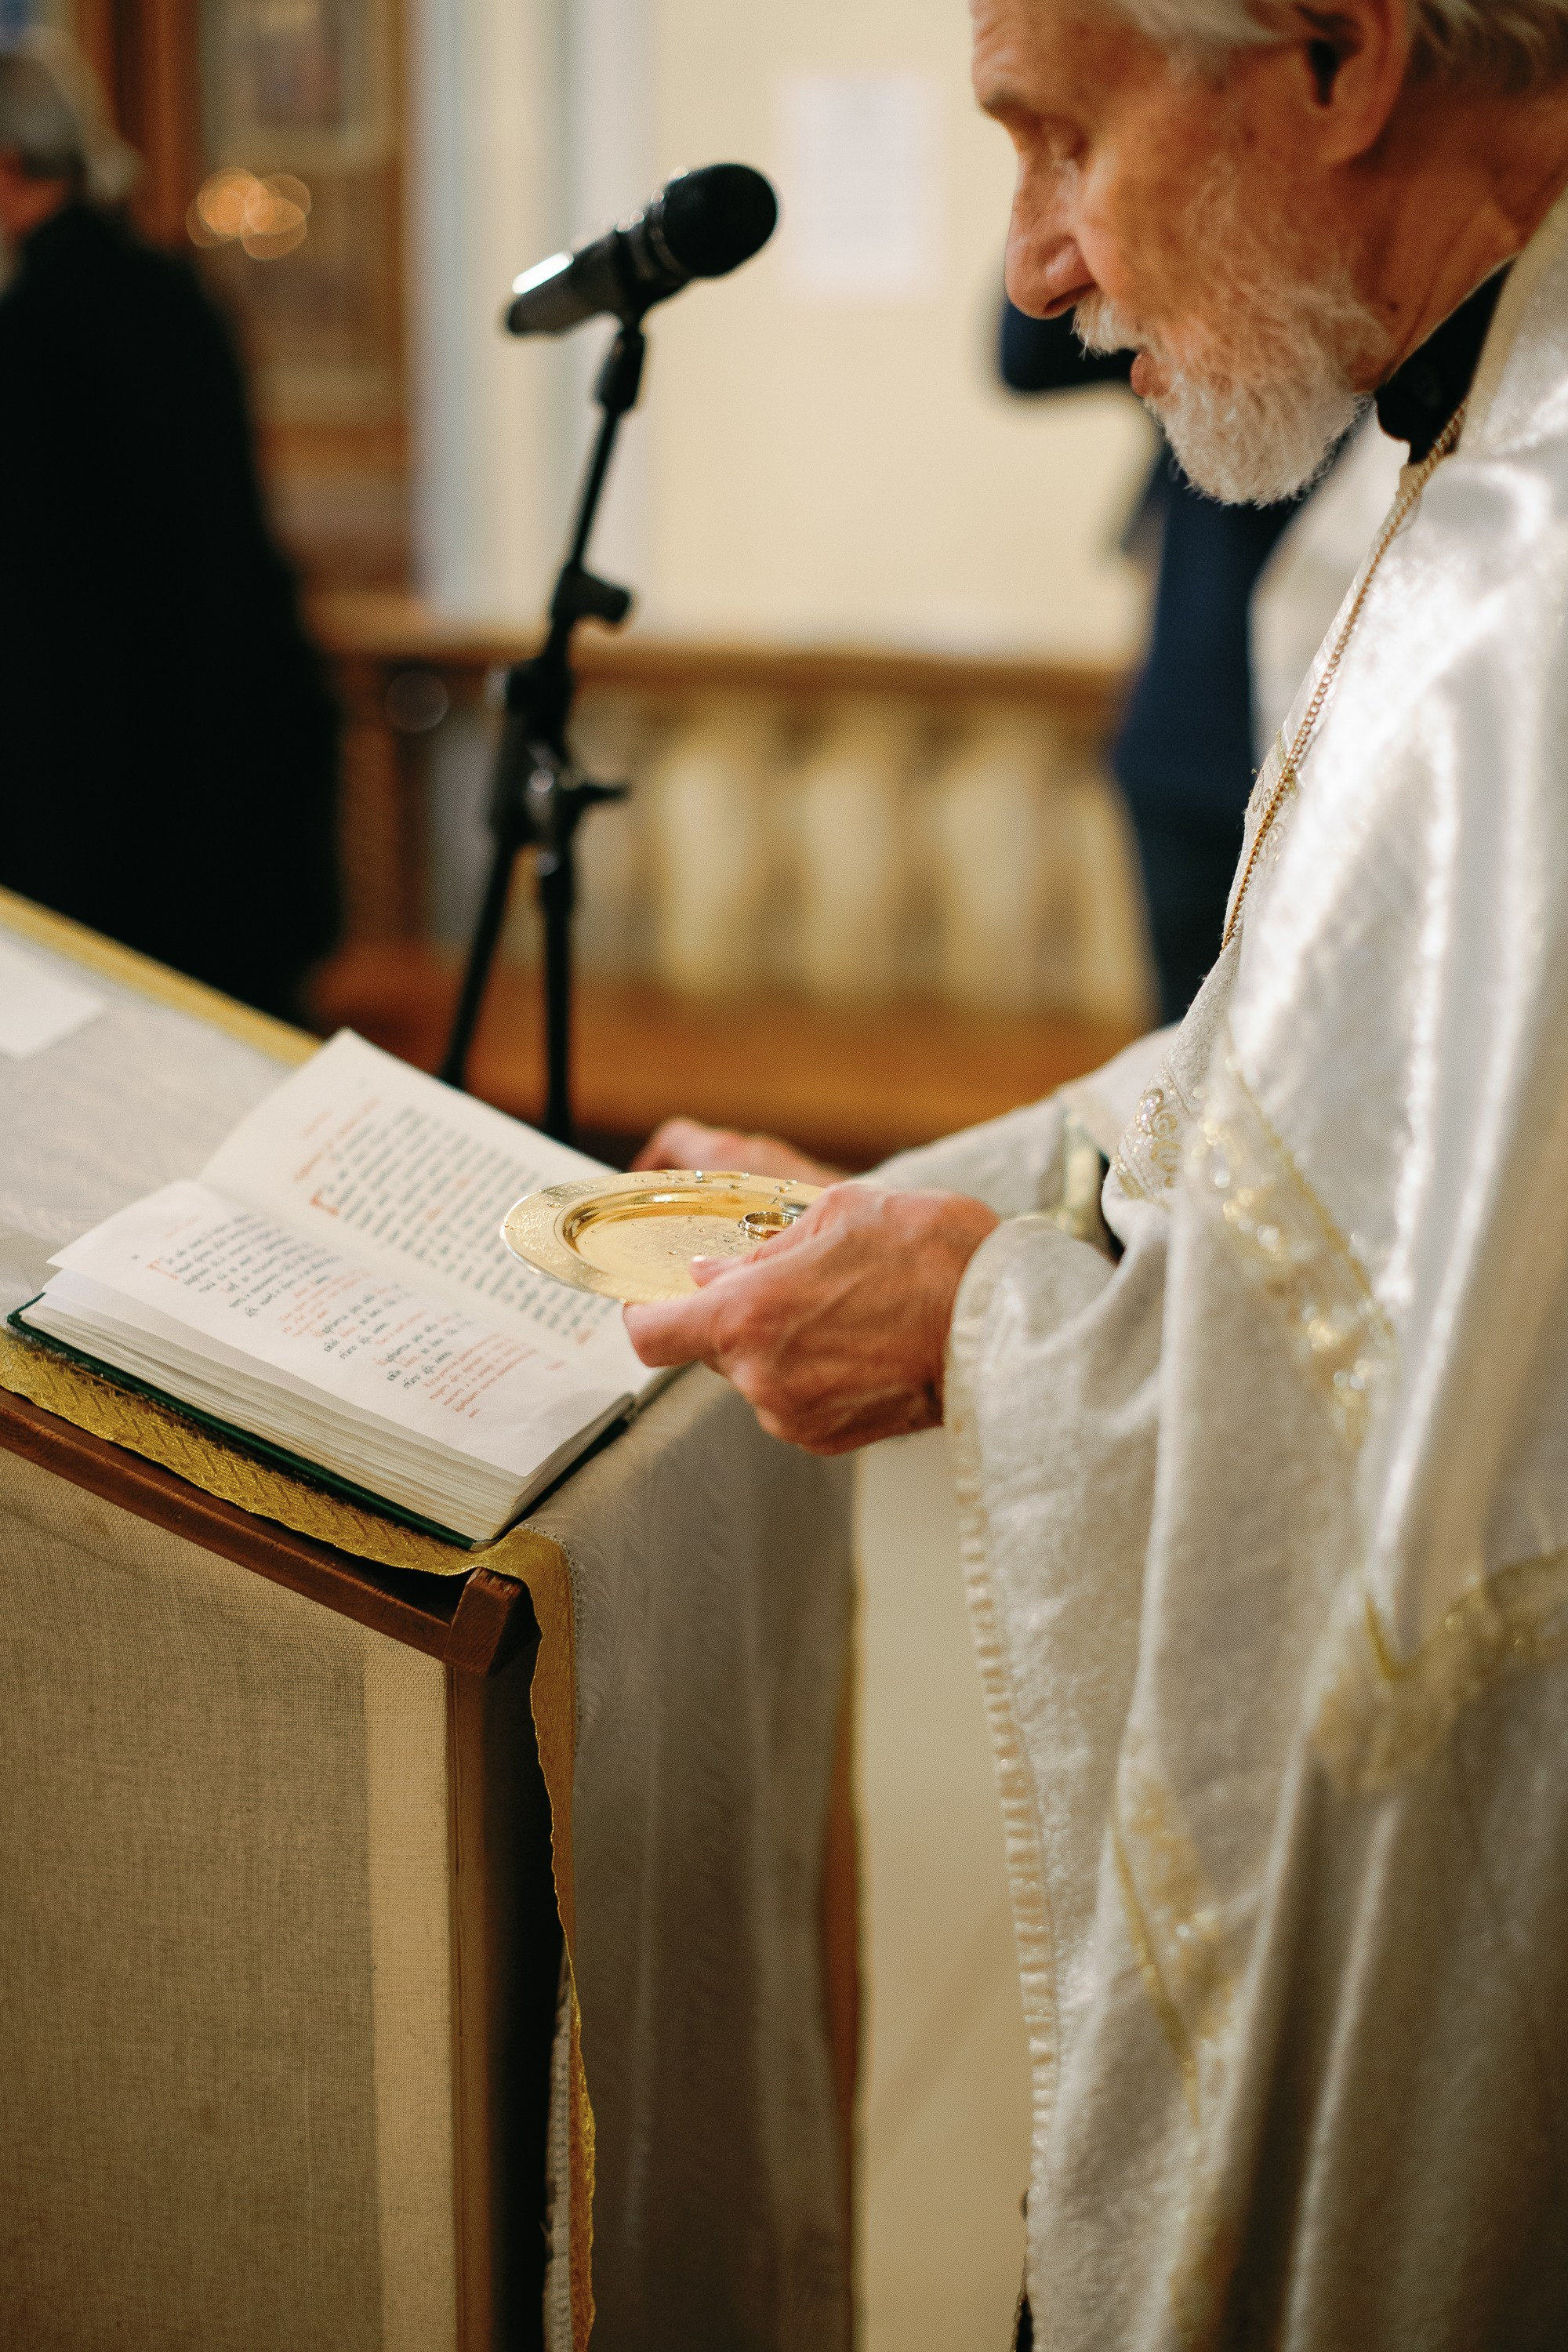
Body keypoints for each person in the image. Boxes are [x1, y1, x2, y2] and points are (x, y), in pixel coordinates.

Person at [626, 0, 1568, 2339]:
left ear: (1340, 56)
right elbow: (1280, 1101)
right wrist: (890, 1205)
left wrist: (977, 1319)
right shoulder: (1486, 465)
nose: (1037, 265)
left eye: (1058, 138)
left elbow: (1474, 1441)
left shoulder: (1537, 605)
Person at [0, 36, 339, 1019]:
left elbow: (52, 625)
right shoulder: (170, 291)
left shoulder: (35, 333)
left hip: (120, 818)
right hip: (236, 778)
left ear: (11, 167)